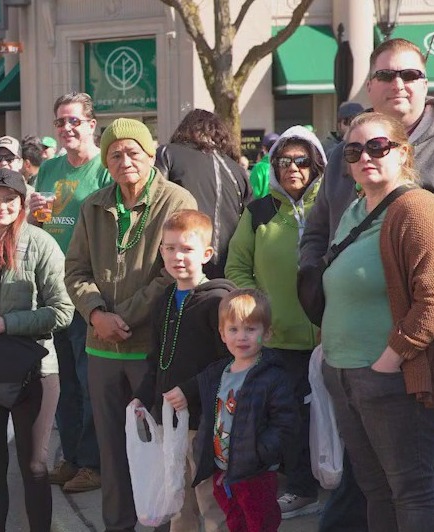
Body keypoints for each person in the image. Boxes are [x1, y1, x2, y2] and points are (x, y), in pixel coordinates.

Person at [299, 37, 434, 532]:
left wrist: (389, 360)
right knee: (373, 487)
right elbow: (316, 233)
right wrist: (314, 287)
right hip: (346, 368)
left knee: (412, 489)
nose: (364, 157)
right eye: (357, 150)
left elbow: (430, 297)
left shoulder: (416, 204)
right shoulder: (352, 190)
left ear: (403, 153)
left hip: (395, 368)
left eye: (378, 148)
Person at [65, 118, 197, 532]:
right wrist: (96, 314)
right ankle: (117, 525)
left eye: (133, 152)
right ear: (106, 161)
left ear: (150, 152)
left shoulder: (175, 201)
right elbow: (75, 270)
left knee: (157, 446)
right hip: (101, 347)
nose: (125, 161)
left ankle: (157, 523)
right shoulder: (93, 205)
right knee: (111, 451)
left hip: (152, 346)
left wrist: (125, 316)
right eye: (115, 154)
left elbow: (170, 271)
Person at [0, 168, 73, 531]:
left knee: (35, 466)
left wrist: (6, 323)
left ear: (21, 204)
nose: (2, 206)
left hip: (33, 372)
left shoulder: (39, 243)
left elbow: (63, 311)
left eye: (10, 199)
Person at [225, 125, 325, 519]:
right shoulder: (258, 212)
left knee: (334, 417)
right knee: (289, 418)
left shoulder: (333, 206)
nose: (293, 168)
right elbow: (237, 267)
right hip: (278, 339)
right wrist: (261, 312)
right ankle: (300, 488)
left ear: (316, 164)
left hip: (328, 337)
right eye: (284, 161)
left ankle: (344, 486)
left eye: (302, 160)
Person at [30, 92, 112, 495]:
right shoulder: (49, 168)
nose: (67, 129)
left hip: (89, 289)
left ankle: (94, 464)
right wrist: (32, 213)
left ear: (91, 124)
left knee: (87, 376)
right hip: (51, 289)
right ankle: (74, 458)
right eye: (61, 122)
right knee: (61, 380)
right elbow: (41, 223)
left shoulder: (104, 168)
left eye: (75, 121)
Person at [130, 209, 232, 532]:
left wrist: (188, 391)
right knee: (178, 501)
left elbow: (229, 364)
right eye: (170, 248)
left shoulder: (217, 301)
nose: (178, 256)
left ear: (206, 253)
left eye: (187, 249)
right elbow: (157, 356)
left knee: (210, 500)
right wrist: (143, 397)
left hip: (204, 422)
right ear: (161, 252)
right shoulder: (164, 298)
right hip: (170, 420)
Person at [166, 289, 297, 532]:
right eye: (234, 329)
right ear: (222, 335)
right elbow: (201, 391)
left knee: (260, 524)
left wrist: (259, 454)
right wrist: (183, 393)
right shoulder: (219, 372)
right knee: (235, 522)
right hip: (222, 470)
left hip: (257, 474)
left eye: (251, 329)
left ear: (266, 333)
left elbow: (285, 423)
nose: (242, 337)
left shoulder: (272, 376)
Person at [155, 109, 252, 279]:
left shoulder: (168, 154)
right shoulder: (238, 171)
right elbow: (248, 224)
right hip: (227, 273)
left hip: (177, 269)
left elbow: (154, 205)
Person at [249, 133, 280, 199]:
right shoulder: (285, 165)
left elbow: (253, 193)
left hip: (262, 208)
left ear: (264, 148)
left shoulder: (259, 168)